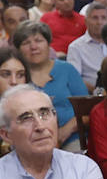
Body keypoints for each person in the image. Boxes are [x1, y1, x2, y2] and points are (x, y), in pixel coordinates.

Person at [13, 22, 87, 151]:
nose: (33, 47)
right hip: (32, 140)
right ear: (18, 50)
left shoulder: (67, 69)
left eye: (38, 41)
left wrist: (64, 132)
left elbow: (87, 111)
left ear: (48, 44)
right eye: (26, 43)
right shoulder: (18, 76)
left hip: (72, 137)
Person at [67, 0, 107, 90]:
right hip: (92, 96)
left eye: (103, 18)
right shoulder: (75, 47)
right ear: (86, 21)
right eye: (95, 18)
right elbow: (75, 79)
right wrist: (98, 91)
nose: (99, 22)